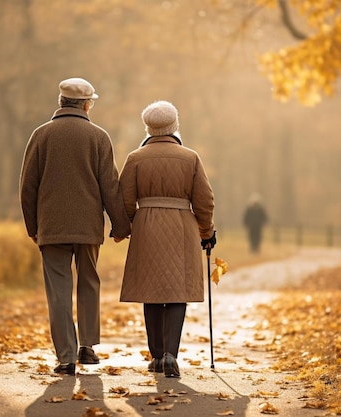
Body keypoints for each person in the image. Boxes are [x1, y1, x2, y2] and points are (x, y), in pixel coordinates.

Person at [19, 77, 131, 376]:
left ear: (60, 102)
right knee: (88, 282)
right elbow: (110, 186)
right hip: (87, 227)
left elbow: (28, 186)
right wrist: (120, 225)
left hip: (51, 226)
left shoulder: (41, 135)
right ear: (86, 104)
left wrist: (33, 226)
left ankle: (66, 357)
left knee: (58, 290)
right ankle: (87, 347)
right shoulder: (98, 137)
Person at [118, 100, 216, 378]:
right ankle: (171, 355)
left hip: (146, 226)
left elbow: (124, 199)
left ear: (148, 127)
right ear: (174, 125)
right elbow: (205, 200)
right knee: (177, 291)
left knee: (151, 292)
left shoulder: (135, 158)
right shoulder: (190, 157)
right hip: (181, 226)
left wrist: (124, 229)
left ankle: (157, 355)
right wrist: (206, 232)